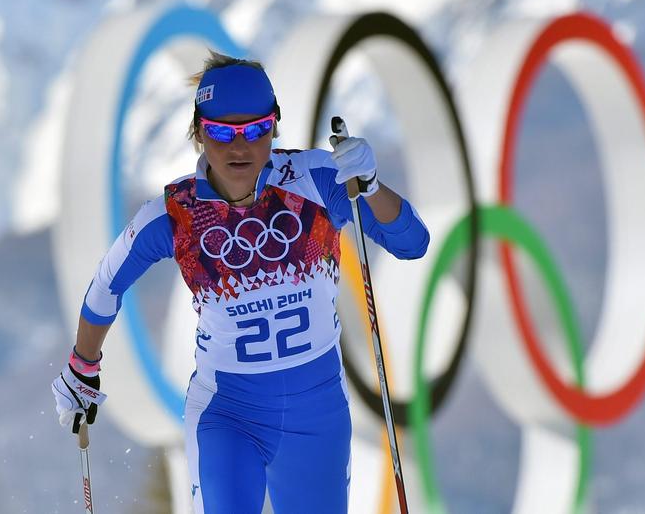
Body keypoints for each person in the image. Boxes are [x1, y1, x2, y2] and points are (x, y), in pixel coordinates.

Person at [51, 50, 429, 513]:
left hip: (318, 416)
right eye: (221, 132)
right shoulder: (176, 214)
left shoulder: (318, 180)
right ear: (198, 133)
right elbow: (106, 284)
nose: (239, 146)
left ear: (274, 127)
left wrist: (371, 185)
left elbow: (412, 242)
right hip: (228, 413)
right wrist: (81, 367)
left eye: (255, 129)